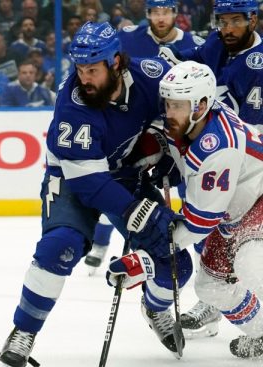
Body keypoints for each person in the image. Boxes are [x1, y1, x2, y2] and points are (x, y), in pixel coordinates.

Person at [0, 22, 180, 367]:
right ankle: (24, 330)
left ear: (116, 62)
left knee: (174, 259)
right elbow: (89, 183)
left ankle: (154, 306)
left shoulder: (151, 75)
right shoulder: (73, 103)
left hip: (126, 172)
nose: (85, 78)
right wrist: (132, 212)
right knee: (59, 246)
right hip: (72, 178)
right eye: (80, 69)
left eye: (92, 70)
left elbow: (178, 107)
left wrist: (162, 150)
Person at [108, 61, 263, 359]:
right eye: (167, 104)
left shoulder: (218, 147)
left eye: (177, 106)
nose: (169, 113)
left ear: (202, 105)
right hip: (235, 211)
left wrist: (144, 259)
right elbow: (169, 142)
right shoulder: (192, 120)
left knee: (251, 263)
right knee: (211, 287)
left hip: (257, 198)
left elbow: (197, 226)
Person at [159, 0, 263, 336]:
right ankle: (232, 312)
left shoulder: (259, 66)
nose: (228, 28)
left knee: (249, 261)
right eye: (223, 21)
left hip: (245, 163)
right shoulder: (219, 43)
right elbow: (192, 60)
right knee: (210, 268)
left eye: (236, 21)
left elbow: (242, 129)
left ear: (253, 19)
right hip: (217, 154)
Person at [86, 0, 204, 282]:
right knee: (120, 188)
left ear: (175, 14)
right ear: (148, 13)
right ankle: (101, 244)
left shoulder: (192, 44)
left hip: (173, 132)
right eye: (155, 12)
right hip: (132, 129)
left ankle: (202, 259)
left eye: (166, 11)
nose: (161, 17)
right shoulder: (127, 38)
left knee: (194, 197)